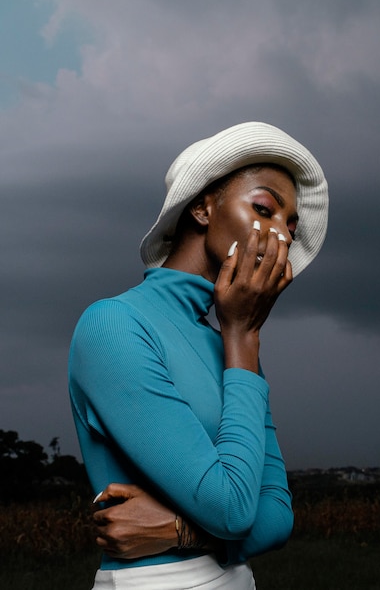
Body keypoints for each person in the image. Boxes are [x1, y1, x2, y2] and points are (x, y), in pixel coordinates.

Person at [68, 121, 328, 589]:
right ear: (203, 208)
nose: (282, 237)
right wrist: (243, 339)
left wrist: (180, 531)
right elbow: (232, 512)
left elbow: (276, 518)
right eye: (264, 208)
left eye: (290, 226)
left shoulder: (231, 341)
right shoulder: (113, 325)